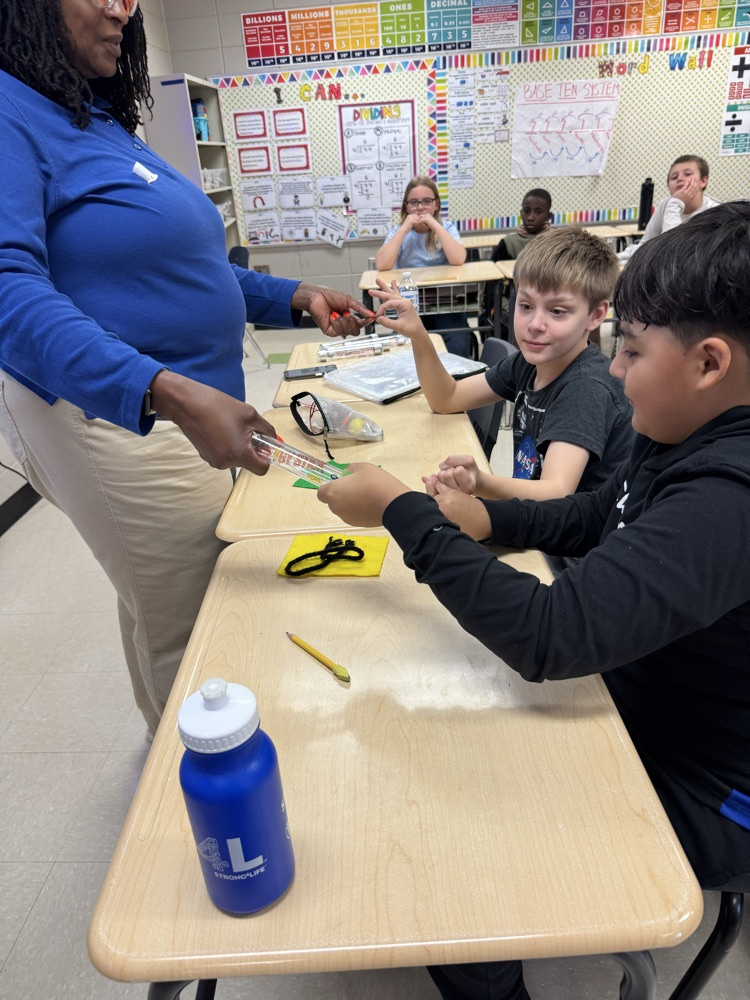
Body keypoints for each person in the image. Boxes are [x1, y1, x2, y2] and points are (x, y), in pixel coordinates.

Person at [318, 200, 750, 999]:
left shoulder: (730, 493)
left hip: (700, 783)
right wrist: (483, 516)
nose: (615, 372)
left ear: (710, 362)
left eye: (632, 351)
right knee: (430, 741)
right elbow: (592, 515)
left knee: (447, 862)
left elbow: (551, 634)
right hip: (627, 696)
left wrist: (399, 511)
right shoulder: (684, 431)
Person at [0, 0, 372, 739]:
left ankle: (173, 761)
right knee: (203, 620)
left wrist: (290, 294)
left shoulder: (95, 119)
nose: (120, 10)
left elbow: (185, 269)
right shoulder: (11, 114)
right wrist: (162, 391)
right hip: (119, 412)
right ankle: (200, 815)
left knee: (159, 595)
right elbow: (9, 290)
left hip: (174, 401)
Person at [372, 227, 633, 504]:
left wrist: (480, 482)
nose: (534, 325)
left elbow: (556, 493)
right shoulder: (528, 364)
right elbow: (446, 398)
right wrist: (419, 335)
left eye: (557, 311)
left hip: (570, 541)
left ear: (596, 315)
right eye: (526, 306)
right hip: (535, 518)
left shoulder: (585, 388)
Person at [375, 176, 474, 358]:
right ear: (406, 206)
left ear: (436, 204)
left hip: (445, 300)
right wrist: (405, 228)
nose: (420, 207)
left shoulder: (447, 228)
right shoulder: (400, 231)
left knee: (458, 339)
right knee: (402, 342)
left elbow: (458, 259)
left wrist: (435, 225)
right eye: (414, 202)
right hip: (410, 301)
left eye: (427, 201)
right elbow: (382, 264)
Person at [480, 188, 552, 333]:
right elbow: (491, 280)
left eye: (538, 212)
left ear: (548, 216)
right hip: (514, 301)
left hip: (549, 299)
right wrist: (489, 309)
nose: (531, 217)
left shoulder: (555, 242)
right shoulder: (509, 243)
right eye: (526, 211)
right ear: (521, 214)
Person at [620, 154, 719, 260]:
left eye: (687, 174)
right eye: (674, 177)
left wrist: (675, 203)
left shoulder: (714, 211)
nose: (680, 179)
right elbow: (645, 245)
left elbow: (673, 251)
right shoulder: (666, 204)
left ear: (703, 181)